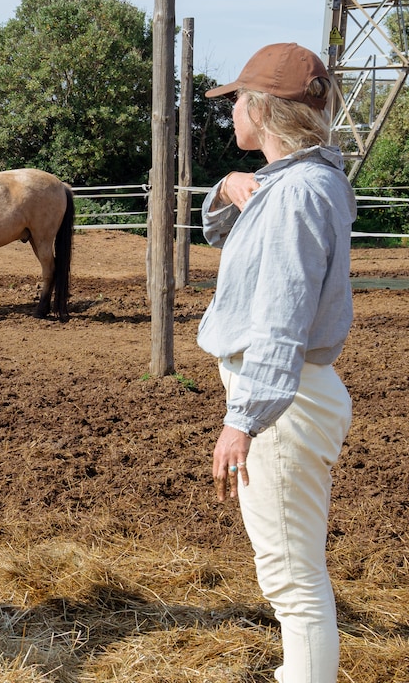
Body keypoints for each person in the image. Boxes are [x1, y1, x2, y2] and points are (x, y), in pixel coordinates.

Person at [198, 42, 356, 683]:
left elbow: (282, 319)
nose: (232, 108)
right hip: (290, 396)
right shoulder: (297, 183)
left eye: (238, 98)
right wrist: (230, 187)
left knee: (293, 584)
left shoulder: (296, 195)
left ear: (263, 108)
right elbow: (219, 232)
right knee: (292, 576)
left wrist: (245, 417)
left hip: (282, 404)